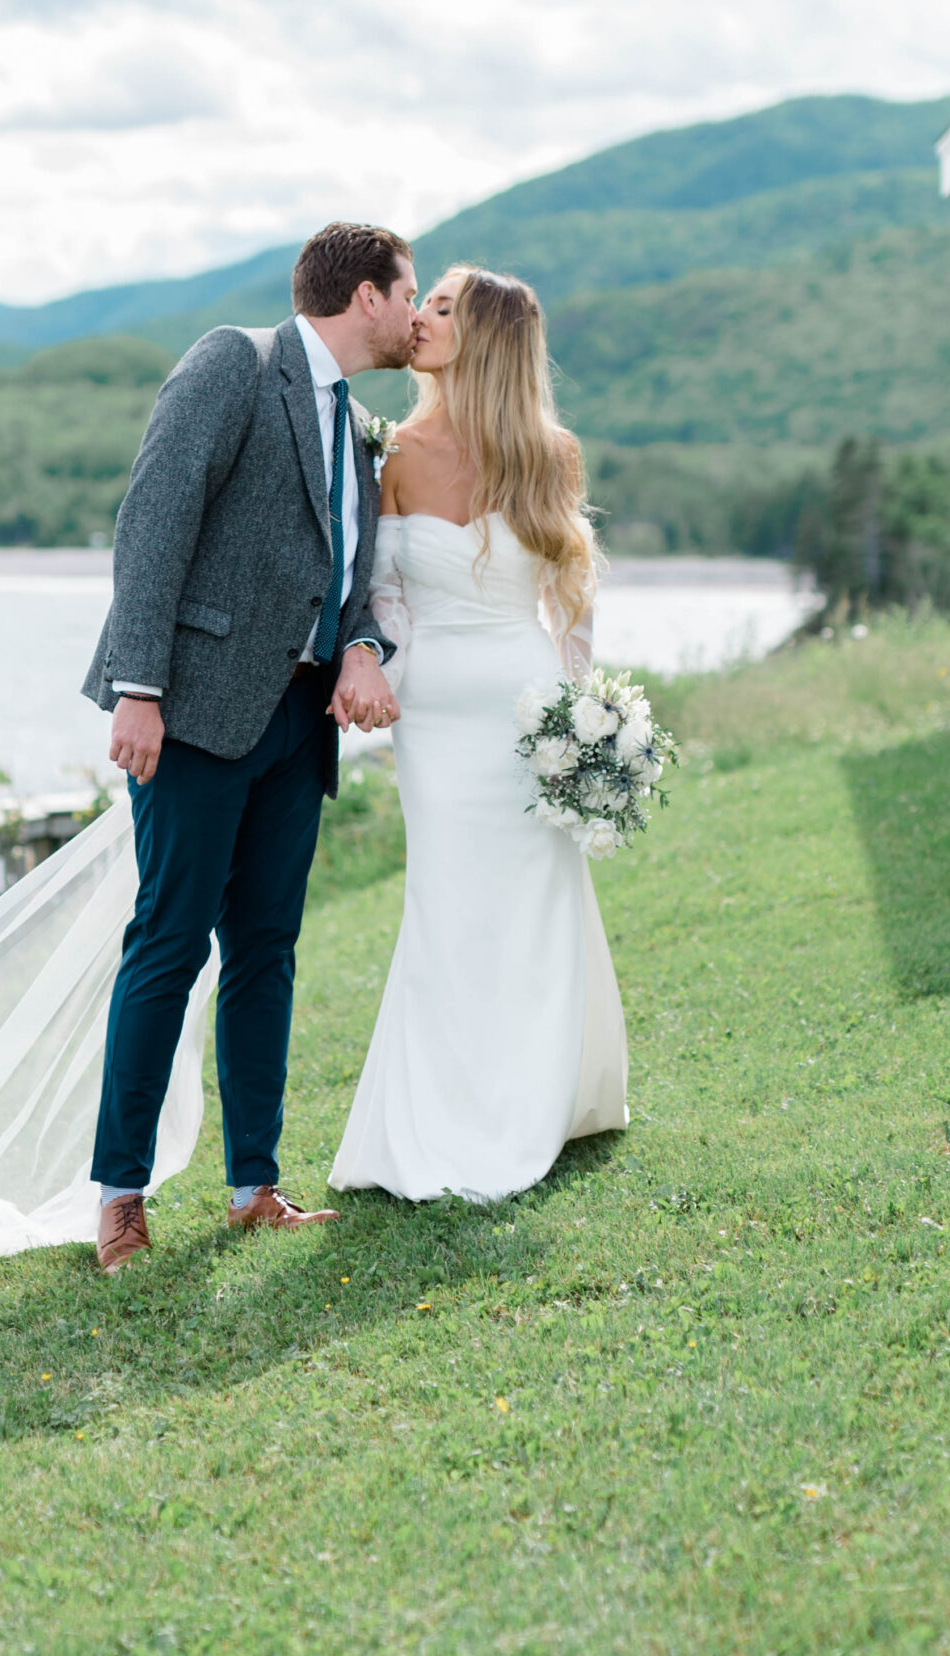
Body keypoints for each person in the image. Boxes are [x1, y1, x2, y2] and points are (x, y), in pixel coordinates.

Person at [0, 221, 417, 1269]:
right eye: (409, 293)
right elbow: (153, 518)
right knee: (168, 942)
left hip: (301, 723)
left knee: (268, 951)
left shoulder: (357, 426)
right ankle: (120, 1193)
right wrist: (139, 688)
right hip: (195, 711)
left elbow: (352, 571)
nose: (417, 314)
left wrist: (363, 647)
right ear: (368, 297)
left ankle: (255, 1183)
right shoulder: (234, 362)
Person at [328, 265, 629, 1204]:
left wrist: (585, 721)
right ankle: (441, 1114)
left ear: (488, 337)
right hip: (436, 715)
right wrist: (375, 665)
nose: (420, 316)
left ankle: (534, 1101)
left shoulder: (550, 454)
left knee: (534, 909)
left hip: (527, 709)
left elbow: (571, 600)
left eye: (444, 307)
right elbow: (383, 593)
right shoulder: (395, 454)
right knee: (448, 908)